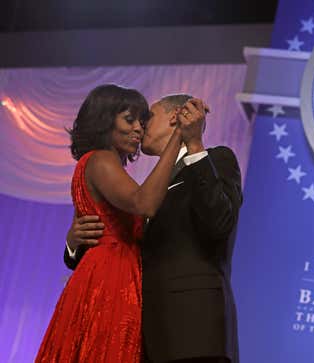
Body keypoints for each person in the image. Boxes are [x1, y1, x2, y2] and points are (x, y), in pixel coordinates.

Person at [64, 93, 242, 363]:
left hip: (193, 333)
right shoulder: (147, 187)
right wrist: (73, 246)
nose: (141, 126)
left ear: (175, 116)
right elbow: (120, 249)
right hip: (141, 336)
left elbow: (220, 223)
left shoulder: (215, 160)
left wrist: (194, 145)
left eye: (148, 118)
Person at [36, 84, 206, 362]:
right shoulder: (101, 160)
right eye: (130, 119)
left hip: (107, 274)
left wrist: (71, 244)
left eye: (141, 121)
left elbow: (92, 228)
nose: (139, 128)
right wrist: (180, 135)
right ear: (104, 120)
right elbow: (144, 203)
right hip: (110, 280)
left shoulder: (96, 164)